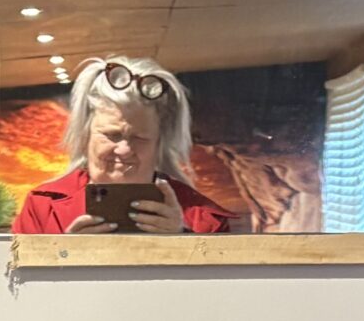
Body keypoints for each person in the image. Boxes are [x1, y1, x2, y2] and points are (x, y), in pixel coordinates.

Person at [12, 57, 233, 235]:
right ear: (85, 135)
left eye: (139, 138)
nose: (124, 150)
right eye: (112, 135)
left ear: (160, 142)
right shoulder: (42, 208)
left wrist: (183, 241)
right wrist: (64, 255)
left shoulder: (204, 219)